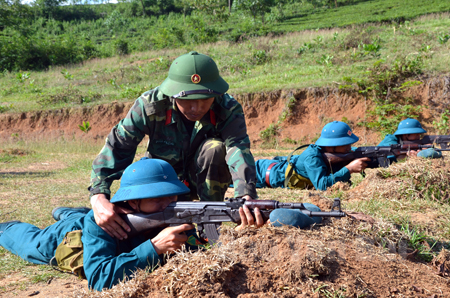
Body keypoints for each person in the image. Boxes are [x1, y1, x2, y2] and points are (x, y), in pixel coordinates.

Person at [0, 158, 263, 291]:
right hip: (74, 238)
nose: (169, 203)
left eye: (172, 195)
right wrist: (154, 247)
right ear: (133, 202)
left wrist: (237, 234)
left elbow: (199, 247)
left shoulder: (175, 212)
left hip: (101, 226)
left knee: (73, 214)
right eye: (158, 199)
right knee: (28, 241)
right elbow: (99, 279)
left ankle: (65, 211)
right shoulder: (100, 223)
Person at [89, 51, 257, 240]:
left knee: (215, 148)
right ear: (173, 92)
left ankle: (211, 222)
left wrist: (245, 195)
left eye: (205, 100)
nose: (197, 108)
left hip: (203, 183)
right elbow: (118, 147)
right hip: (160, 187)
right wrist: (98, 195)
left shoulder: (227, 108)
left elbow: (238, 149)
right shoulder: (150, 106)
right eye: (189, 101)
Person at [255, 121, 370, 191]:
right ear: (330, 146)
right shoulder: (312, 157)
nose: (349, 147)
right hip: (259, 173)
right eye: (344, 143)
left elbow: (358, 153)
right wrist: (349, 169)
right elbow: (322, 185)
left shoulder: (340, 152)